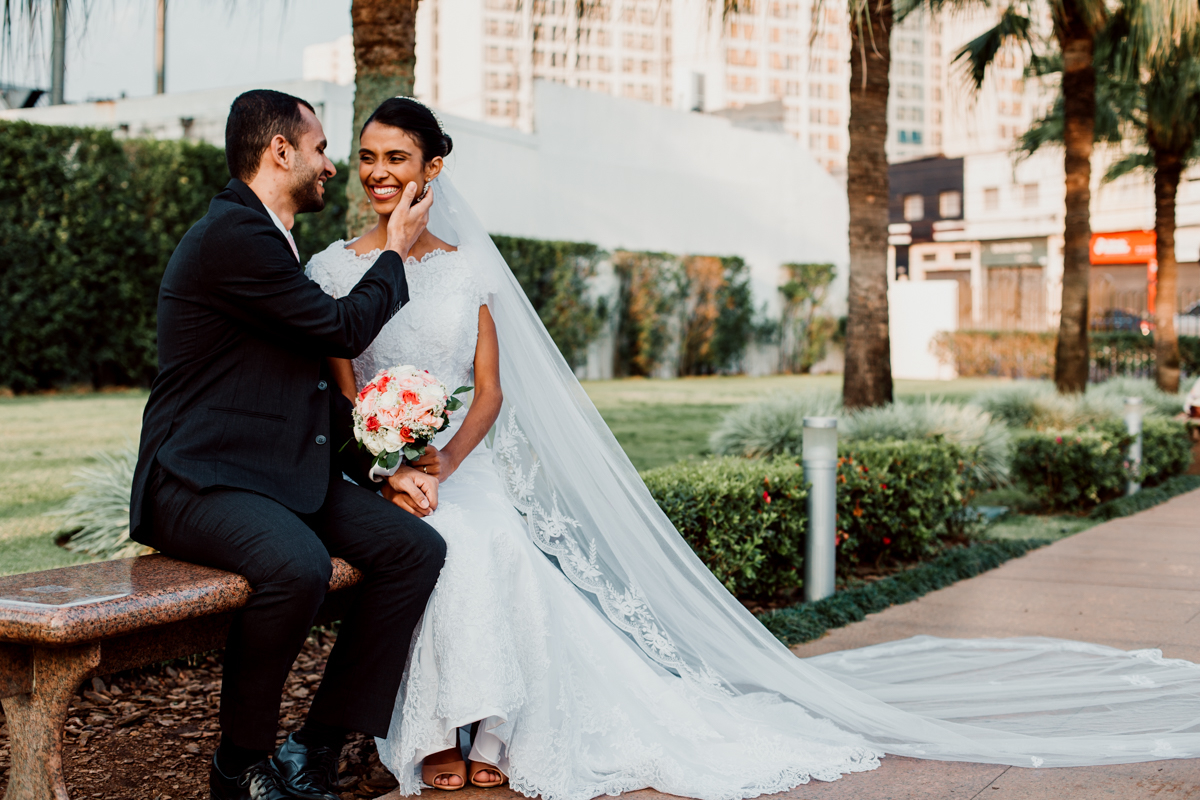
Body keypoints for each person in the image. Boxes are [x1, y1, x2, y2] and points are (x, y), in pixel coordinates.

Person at [310, 97, 1200, 800]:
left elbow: (493, 391)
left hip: (458, 466)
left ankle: (496, 728)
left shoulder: (471, 267)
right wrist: (388, 468)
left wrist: (446, 463)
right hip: (382, 471)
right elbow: (347, 381)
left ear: (433, 168)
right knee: (445, 545)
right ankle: (432, 734)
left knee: (490, 536)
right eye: (370, 157)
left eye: (398, 157)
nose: (380, 173)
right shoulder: (332, 267)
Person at [130, 89, 447, 800]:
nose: (332, 166)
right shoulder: (232, 237)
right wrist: (394, 250)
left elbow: (306, 389)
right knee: (297, 567)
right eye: (323, 148)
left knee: (413, 549)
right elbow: (339, 331)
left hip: (274, 473)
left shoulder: (269, 238)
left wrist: (382, 471)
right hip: (195, 479)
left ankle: (315, 746)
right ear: (281, 151)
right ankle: (239, 765)